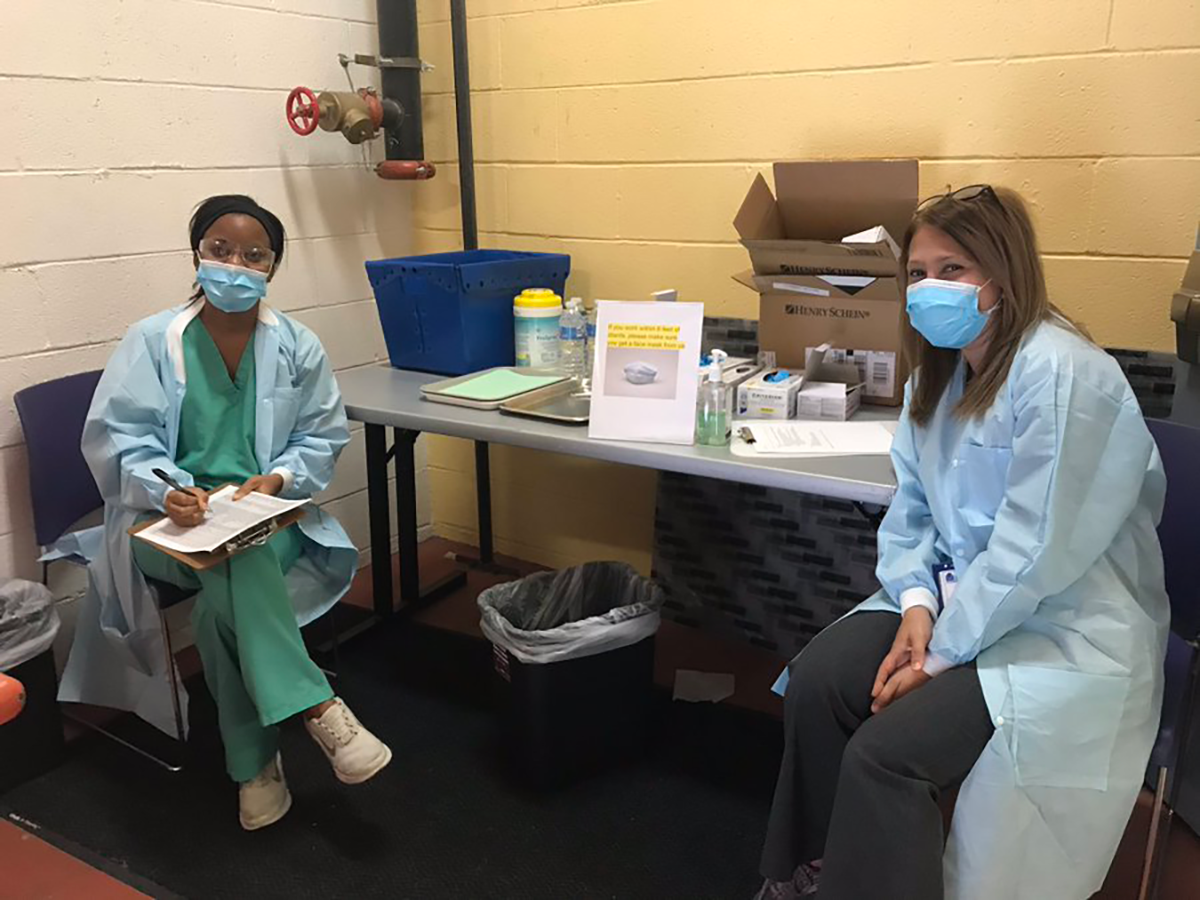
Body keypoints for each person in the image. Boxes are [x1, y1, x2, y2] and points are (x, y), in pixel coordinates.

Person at [754, 186, 1168, 900]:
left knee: (885, 756)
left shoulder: (1061, 375)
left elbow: (1033, 552)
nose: (929, 288)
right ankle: (817, 871)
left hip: (1061, 627)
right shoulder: (938, 378)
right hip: (954, 602)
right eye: (917, 273)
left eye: (953, 270)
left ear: (1003, 276)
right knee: (819, 682)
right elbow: (912, 511)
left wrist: (938, 655)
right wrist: (916, 605)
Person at [58, 195, 391, 830]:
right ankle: (317, 707)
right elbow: (121, 437)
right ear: (197, 254)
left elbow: (321, 436)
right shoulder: (152, 341)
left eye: (253, 254)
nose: (235, 264)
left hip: (261, 516)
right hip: (162, 525)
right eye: (220, 249)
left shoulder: (297, 345)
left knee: (225, 595)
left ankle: (253, 766)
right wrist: (165, 490)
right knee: (236, 564)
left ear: (272, 267)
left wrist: (279, 477)